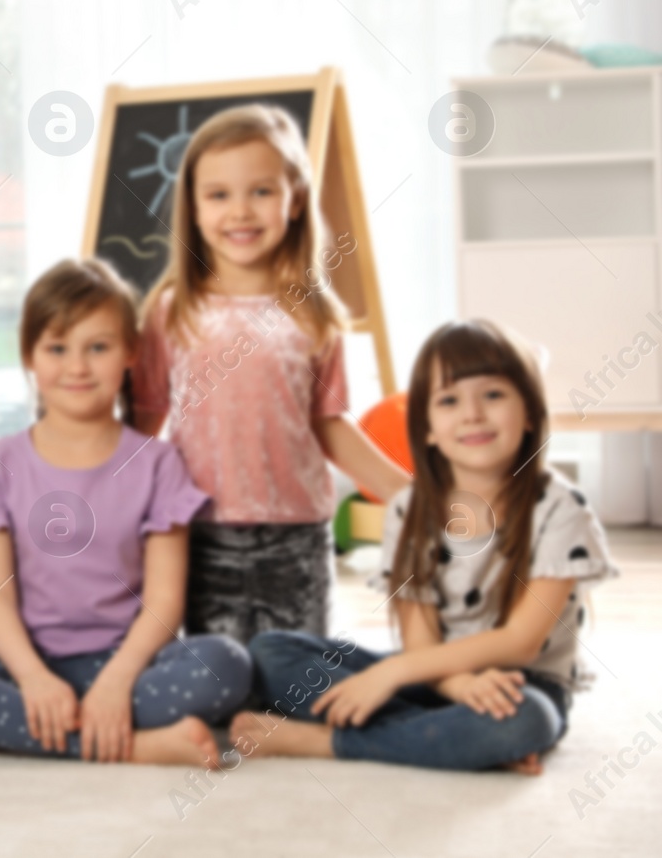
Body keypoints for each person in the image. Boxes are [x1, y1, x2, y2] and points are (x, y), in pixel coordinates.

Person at [237, 319, 617, 772]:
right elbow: (419, 644)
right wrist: (455, 688)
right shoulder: (409, 510)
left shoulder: (560, 507)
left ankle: (331, 742)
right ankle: (448, 738)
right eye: (449, 400)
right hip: (432, 672)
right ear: (429, 427)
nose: (473, 413)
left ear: (530, 412)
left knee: (524, 722)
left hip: (522, 681)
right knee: (270, 653)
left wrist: (391, 674)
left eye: (493, 395)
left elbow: (521, 643)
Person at [0, 259, 250, 766]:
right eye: (57, 348)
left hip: (134, 668)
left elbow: (164, 600)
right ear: (30, 355)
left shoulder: (158, 464)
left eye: (98, 347)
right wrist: (32, 678)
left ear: (130, 353)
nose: (77, 367)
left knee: (226, 665)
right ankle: (139, 746)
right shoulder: (0, 462)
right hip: (31, 669)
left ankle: (1, 733)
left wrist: (117, 682)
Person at [133, 103, 409, 646]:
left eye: (261, 191)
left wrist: (408, 494)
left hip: (297, 534)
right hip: (199, 531)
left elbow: (330, 423)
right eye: (218, 195)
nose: (240, 211)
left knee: (295, 679)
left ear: (296, 198)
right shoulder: (170, 310)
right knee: (224, 679)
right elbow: (145, 423)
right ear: (192, 205)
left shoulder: (315, 312)